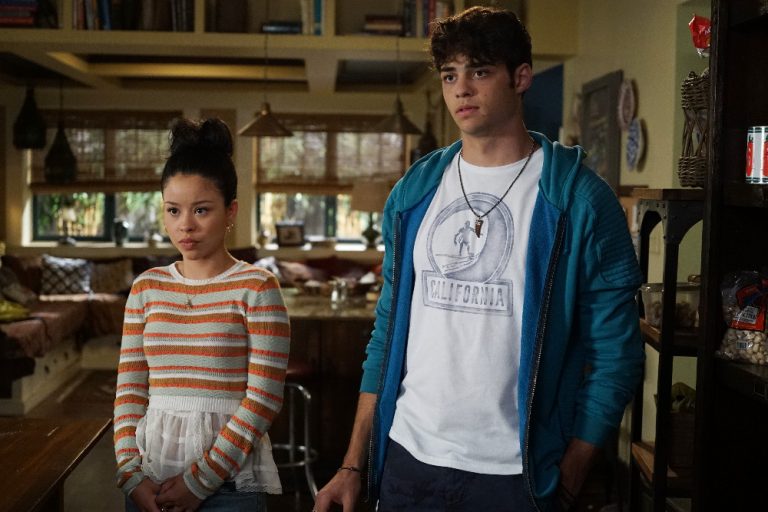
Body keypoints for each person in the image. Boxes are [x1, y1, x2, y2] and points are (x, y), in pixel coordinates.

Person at [314, 6, 644, 512]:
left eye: (480, 71)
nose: (461, 90)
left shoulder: (579, 199)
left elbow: (616, 353)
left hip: (516, 475)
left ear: (521, 77)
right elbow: (387, 332)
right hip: (408, 459)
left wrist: (572, 474)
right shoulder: (415, 192)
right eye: (450, 75)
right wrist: (354, 464)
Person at [113, 118, 290, 512]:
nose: (185, 225)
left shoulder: (258, 287)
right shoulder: (146, 288)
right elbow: (129, 391)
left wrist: (200, 481)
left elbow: (263, 399)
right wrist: (130, 474)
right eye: (173, 210)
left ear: (230, 211)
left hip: (229, 485)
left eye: (201, 210)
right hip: (148, 481)